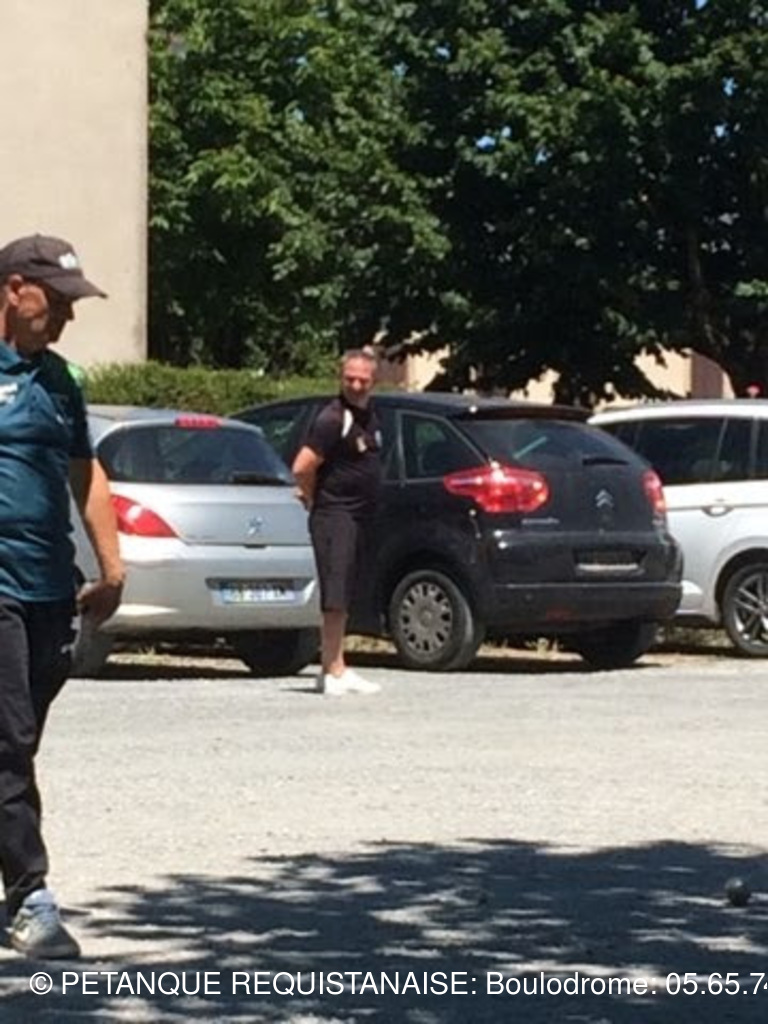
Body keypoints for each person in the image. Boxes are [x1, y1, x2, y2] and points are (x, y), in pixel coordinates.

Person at [0, 234, 124, 958]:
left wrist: (112, 568)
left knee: (18, 740)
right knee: (10, 739)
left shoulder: (61, 381)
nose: (69, 317)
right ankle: (29, 896)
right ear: (14, 290)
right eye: (57, 301)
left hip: (51, 586)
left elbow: (86, 474)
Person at [292, 348, 383, 696]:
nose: (356, 385)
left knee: (345, 592)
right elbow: (302, 466)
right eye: (350, 379)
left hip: (360, 516)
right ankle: (332, 671)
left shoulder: (370, 416)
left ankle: (337, 665)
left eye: (363, 380)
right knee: (335, 592)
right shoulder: (332, 418)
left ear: (373, 380)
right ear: (340, 378)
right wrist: (312, 497)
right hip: (335, 515)